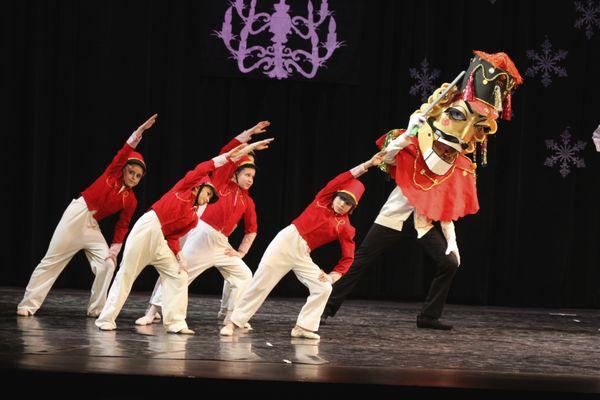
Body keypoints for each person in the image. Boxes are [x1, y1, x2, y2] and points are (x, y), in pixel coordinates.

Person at [321, 51, 523, 330]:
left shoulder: (458, 164)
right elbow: (387, 157)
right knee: (361, 262)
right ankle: (326, 309)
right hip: (394, 216)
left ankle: (429, 316)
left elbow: (446, 206)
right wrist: (408, 133)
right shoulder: (416, 143)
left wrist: (452, 244)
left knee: (450, 263)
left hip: (423, 223)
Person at [94, 139, 263, 333]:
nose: (208, 199)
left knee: (179, 275)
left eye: (210, 197)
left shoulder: (192, 218)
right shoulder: (183, 189)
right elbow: (207, 166)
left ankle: (175, 323)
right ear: (197, 187)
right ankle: (106, 319)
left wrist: (180, 258)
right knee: (126, 274)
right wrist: (240, 151)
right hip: (148, 228)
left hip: (162, 241)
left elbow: (173, 238)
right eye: (207, 193)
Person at [220, 152, 384, 340]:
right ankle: (234, 322)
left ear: (352, 208)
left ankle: (304, 327)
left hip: (302, 253)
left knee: (324, 288)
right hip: (287, 241)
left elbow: (348, 257)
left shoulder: (346, 227)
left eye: (347, 203)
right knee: (261, 283)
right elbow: (342, 178)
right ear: (335, 196)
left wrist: (332, 276)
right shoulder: (323, 200)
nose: (341, 204)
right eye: (341, 198)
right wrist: (367, 165)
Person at [134, 122, 273, 328]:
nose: (250, 180)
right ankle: (153, 310)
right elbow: (226, 152)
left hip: (221, 243)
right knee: (179, 272)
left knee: (244, 275)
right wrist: (249, 137)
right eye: (247, 175)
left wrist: (241, 252)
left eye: (253, 176)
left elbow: (252, 230)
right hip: (201, 234)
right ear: (235, 173)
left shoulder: (247, 201)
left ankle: (231, 316)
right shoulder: (222, 182)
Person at [17, 114, 156, 317]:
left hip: (91, 226)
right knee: (51, 261)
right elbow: (123, 153)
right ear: (124, 170)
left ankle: (96, 309)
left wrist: (114, 250)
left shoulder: (130, 200)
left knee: (108, 264)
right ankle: (28, 304)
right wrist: (139, 132)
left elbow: (122, 225)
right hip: (77, 214)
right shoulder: (112, 174)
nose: (133, 177)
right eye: (131, 172)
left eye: (137, 176)